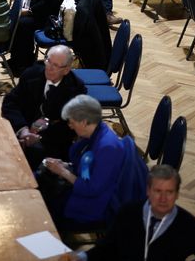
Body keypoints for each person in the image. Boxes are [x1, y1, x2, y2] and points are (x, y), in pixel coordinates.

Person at [71, 165, 195, 261]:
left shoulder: (189, 226)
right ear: (148, 191)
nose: (163, 198)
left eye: (169, 192)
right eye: (158, 191)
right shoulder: (128, 213)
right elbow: (106, 248)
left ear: (177, 194)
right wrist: (82, 257)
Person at [40, 95, 148, 230]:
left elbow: (91, 189)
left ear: (84, 122)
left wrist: (63, 172)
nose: (70, 126)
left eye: (72, 122)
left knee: (47, 208)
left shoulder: (107, 147)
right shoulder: (97, 132)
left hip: (102, 205)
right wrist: (66, 165)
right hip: (96, 191)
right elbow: (89, 167)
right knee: (45, 193)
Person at [2, 45, 86, 169]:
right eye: (48, 61)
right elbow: (10, 102)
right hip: (22, 127)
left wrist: (38, 138)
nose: (49, 68)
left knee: (33, 155)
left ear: (66, 70)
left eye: (56, 66)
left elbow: (69, 128)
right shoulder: (31, 74)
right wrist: (23, 129)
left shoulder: (76, 90)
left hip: (51, 140)